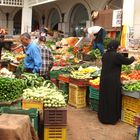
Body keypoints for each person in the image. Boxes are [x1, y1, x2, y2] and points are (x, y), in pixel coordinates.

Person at [98, 40, 135, 125]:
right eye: (118, 46)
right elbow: (128, 61)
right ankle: (111, 119)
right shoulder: (117, 55)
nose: (119, 47)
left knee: (104, 97)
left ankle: (103, 117)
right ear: (115, 47)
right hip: (113, 81)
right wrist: (133, 57)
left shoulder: (105, 55)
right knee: (112, 98)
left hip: (104, 79)